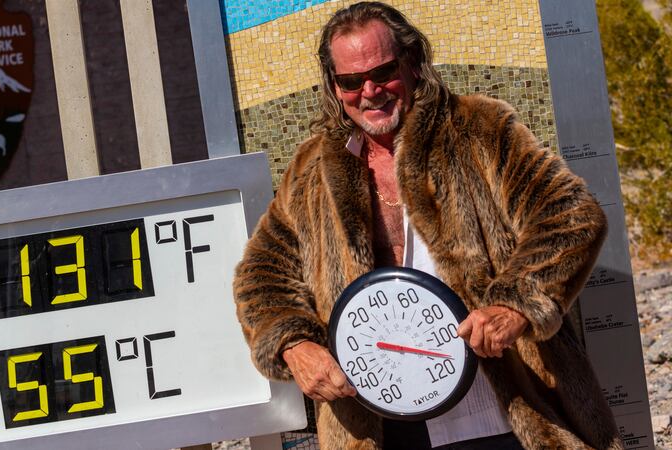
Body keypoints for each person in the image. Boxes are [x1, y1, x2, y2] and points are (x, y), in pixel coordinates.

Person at [233, 2, 622, 449]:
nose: (370, 91)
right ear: (334, 86)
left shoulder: (480, 129)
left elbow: (571, 214)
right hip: (378, 426)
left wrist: (515, 305)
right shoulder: (310, 172)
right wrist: (293, 344)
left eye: (384, 72)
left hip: (510, 413)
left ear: (414, 63)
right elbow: (261, 277)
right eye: (351, 81)